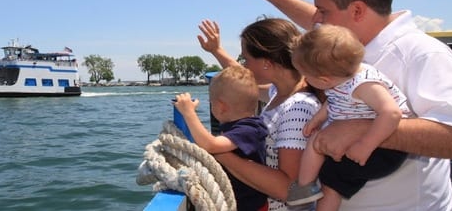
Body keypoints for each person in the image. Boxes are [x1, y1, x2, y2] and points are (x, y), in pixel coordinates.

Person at [240, 0, 452, 210]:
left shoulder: (421, 54)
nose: (316, 20)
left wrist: (361, 129)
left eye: (323, 11)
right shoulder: (344, 48)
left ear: (357, 10)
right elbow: (311, 19)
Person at [192, 17, 321, 211]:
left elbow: (289, 188)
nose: (244, 66)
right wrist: (216, 51)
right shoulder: (278, 92)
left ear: (267, 63)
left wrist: (220, 152)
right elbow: (242, 84)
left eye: (246, 59)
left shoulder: (298, 108)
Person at [286, 24, 412, 210]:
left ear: (323, 80)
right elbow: (335, 100)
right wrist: (317, 119)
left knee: (331, 183)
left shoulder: (364, 85)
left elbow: (392, 113)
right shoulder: (341, 80)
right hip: (368, 141)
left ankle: (304, 188)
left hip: (384, 148)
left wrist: (366, 145)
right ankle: (305, 187)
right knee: (318, 144)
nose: (304, 80)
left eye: (306, 76)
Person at [174, 65, 269, 211]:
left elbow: (211, 145)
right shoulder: (244, 126)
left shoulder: (249, 129)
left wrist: (189, 113)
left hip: (249, 206)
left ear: (221, 107)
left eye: (211, 102)